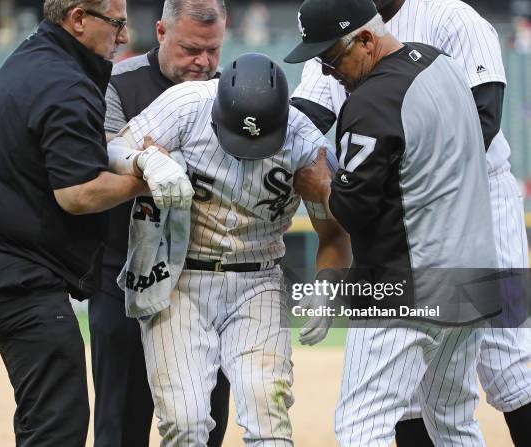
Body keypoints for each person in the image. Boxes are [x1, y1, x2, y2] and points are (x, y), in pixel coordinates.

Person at [0, 1, 192, 445]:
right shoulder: (64, 80)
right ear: (78, 19)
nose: (122, 36)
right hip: (12, 273)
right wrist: (150, 179)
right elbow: (77, 194)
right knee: (59, 420)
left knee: (46, 412)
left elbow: (77, 144)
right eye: (116, 24)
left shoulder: (38, 56)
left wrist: (130, 155)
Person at [290, 0, 531, 445]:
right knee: (451, 419)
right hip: (472, 274)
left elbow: (352, 209)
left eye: (330, 59)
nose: (328, 73)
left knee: (361, 424)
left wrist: (322, 185)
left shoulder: (373, 102)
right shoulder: (437, 63)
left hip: (410, 280)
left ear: (365, 39)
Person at [109, 52, 350, 446]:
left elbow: (335, 235)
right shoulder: (187, 104)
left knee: (268, 418)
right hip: (178, 276)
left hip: (259, 280)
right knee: (184, 424)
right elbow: (113, 149)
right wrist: (144, 161)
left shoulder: (306, 143)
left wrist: (326, 288)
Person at [90, 1, 231, 445]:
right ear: (160, 32)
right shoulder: (118, 83)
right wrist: (144, 161)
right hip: (123, 273)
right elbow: (104, 159)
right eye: (191, 48)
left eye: (212, 50)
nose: (203, 62)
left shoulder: (232, 90)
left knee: (204, 422)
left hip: (208, 279)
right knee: (121, 421)